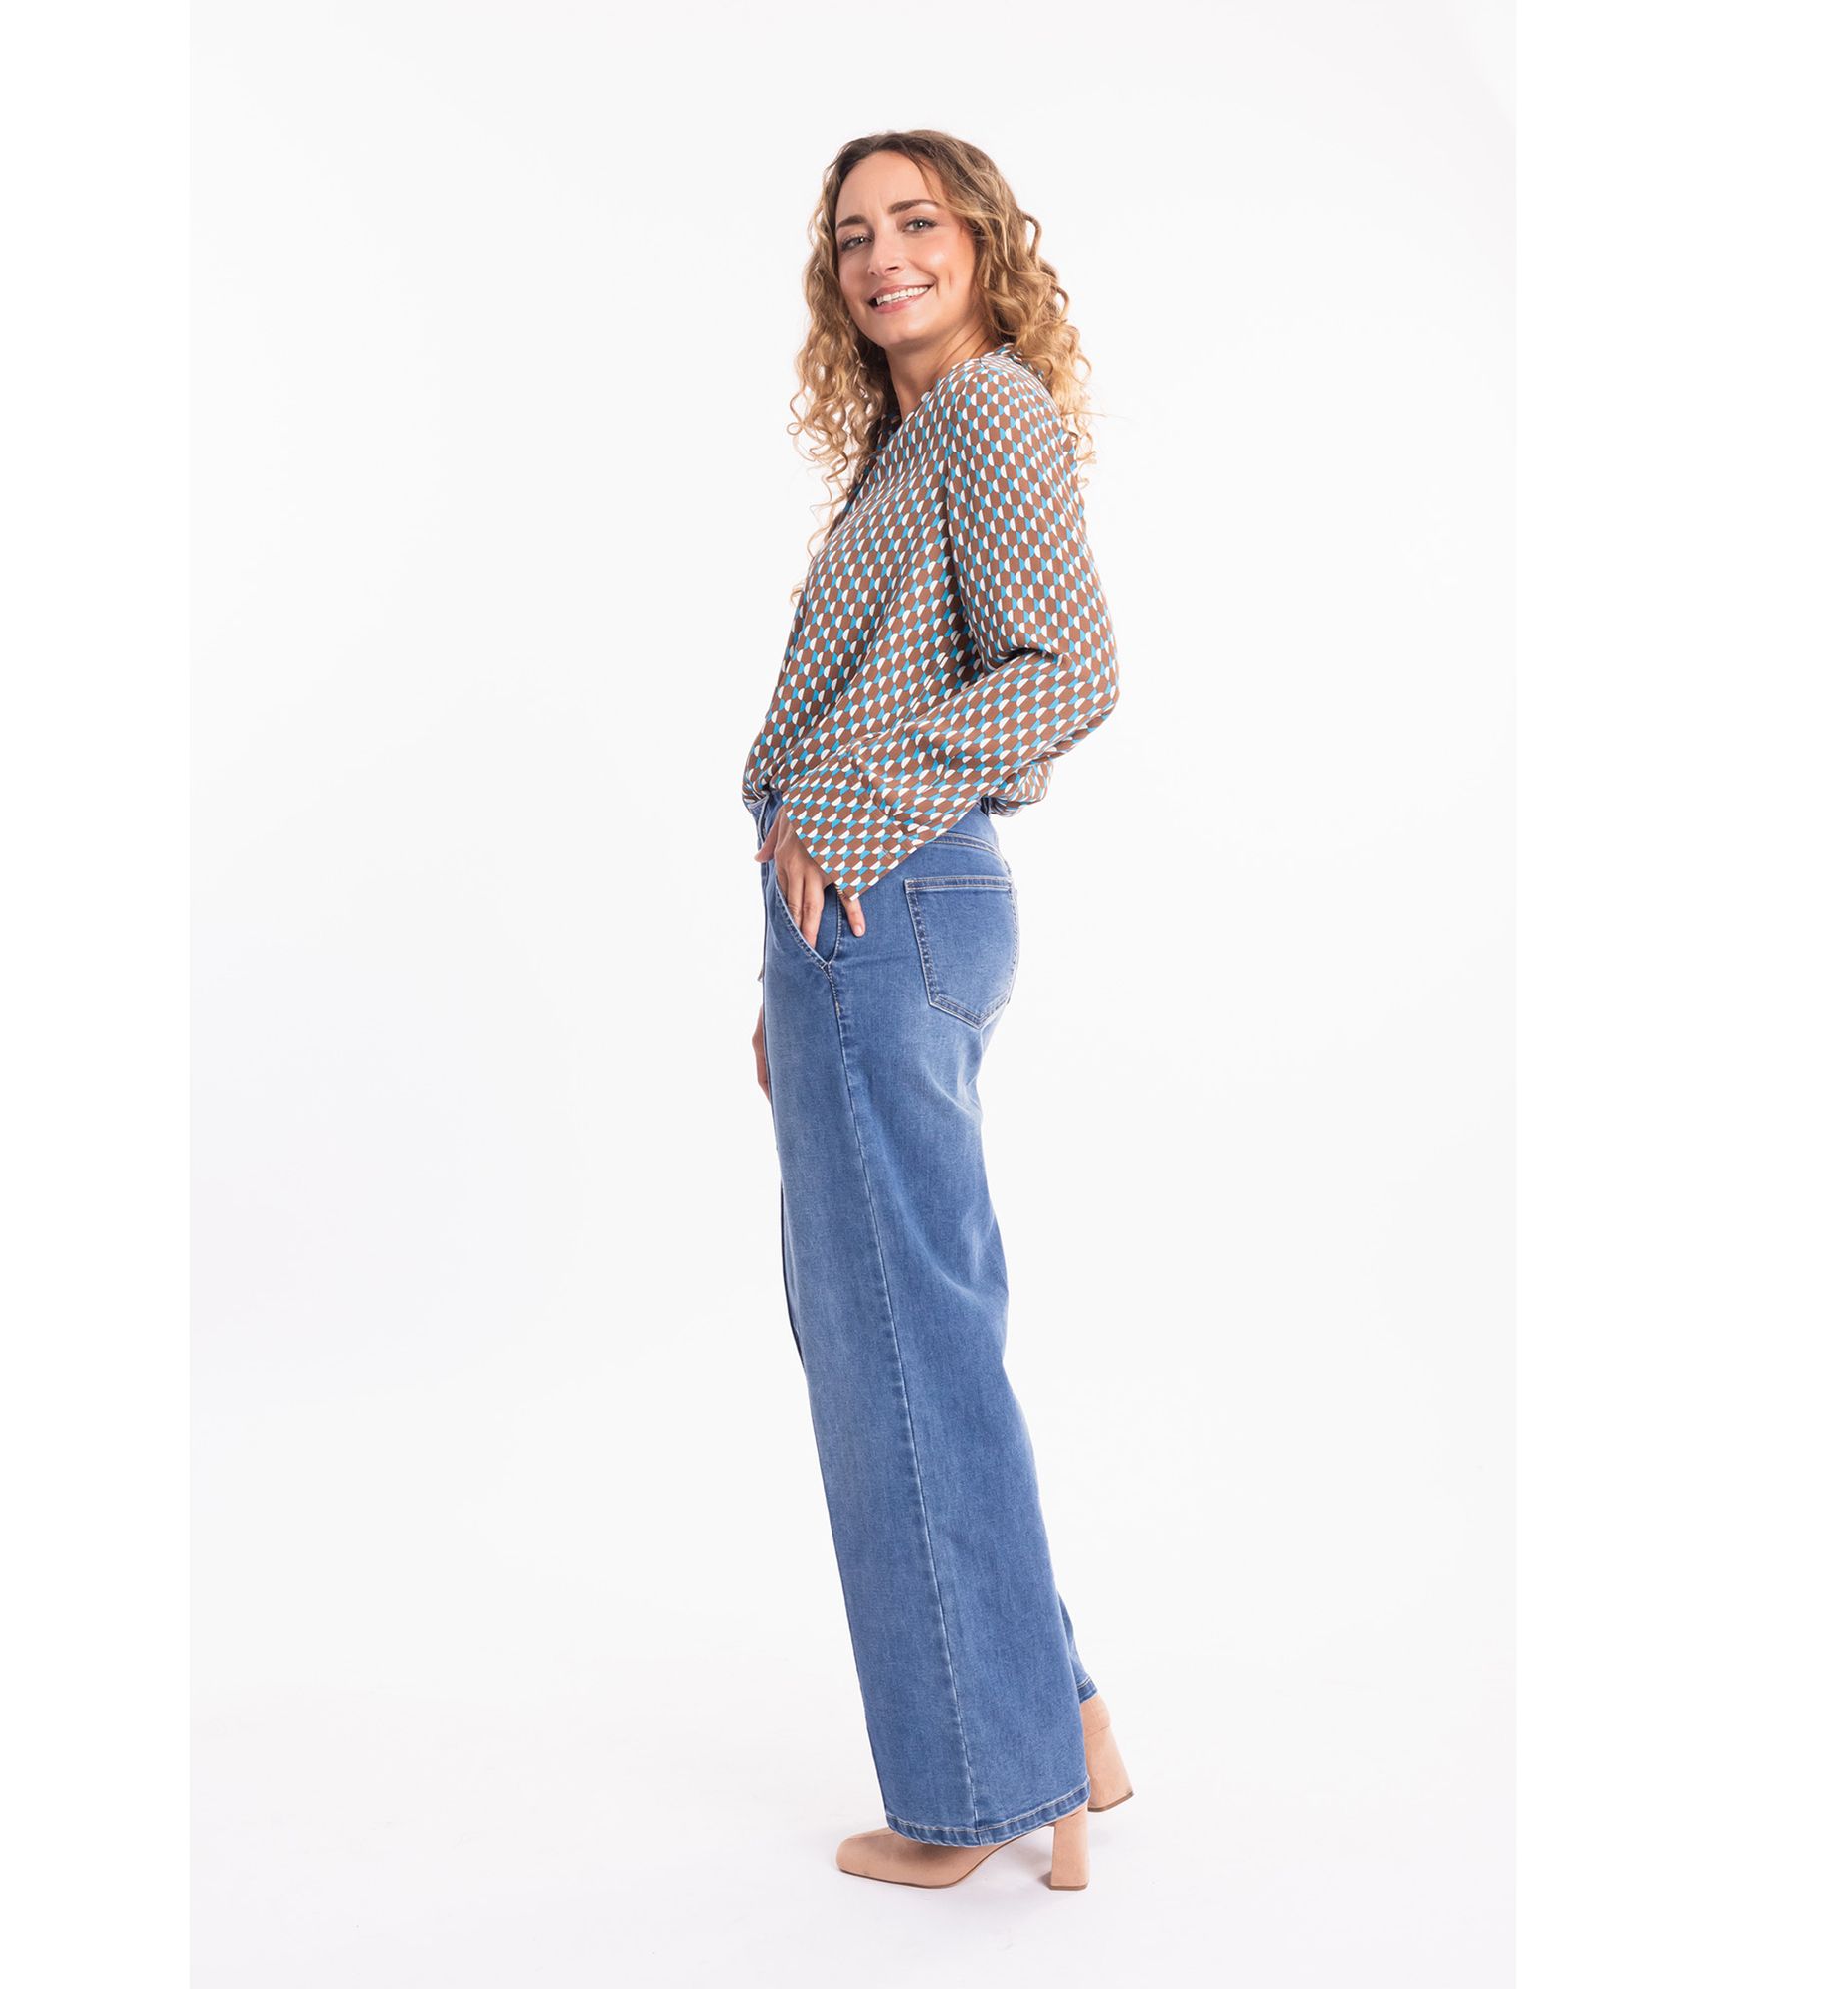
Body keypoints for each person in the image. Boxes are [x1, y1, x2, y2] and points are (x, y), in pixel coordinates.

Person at [740, 130, 1133, 1892]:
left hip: (895, 884)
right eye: (854, 234)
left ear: (981, 242)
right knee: (898, 1333)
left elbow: (1072, 670)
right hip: (867, 916)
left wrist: (848, 813)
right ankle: (1058, 1721)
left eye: (916, 220)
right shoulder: (915, 443)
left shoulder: (987, 412)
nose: (883, 254)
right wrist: (786, 967)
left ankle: (984, 1784)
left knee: (899, 1344)